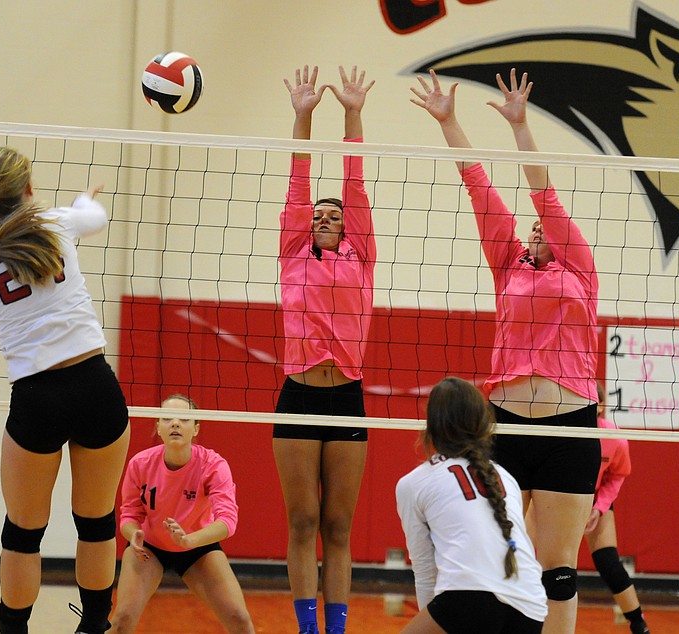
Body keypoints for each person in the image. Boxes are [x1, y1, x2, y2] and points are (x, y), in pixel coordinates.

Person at [411, 68, 600, 634]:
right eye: (534, 227)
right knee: (495, 558)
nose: (539, 229)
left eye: (547, 226)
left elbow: (542, 190)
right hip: (506, 428)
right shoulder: (508, 265)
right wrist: (448, 121)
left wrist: (520, 126)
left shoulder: (578, 268)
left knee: (557, 570)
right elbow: (478, 186)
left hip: (569, 429)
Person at [0, 146, 130, 634]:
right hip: (95, 386)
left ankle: (12, 630)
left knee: (23, 532)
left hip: (37, 397)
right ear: (29, 189)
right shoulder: (57, 223)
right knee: (96, 523)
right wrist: (84, 198)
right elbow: (94, 217)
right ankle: (94, 626)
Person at [273, 64, 376, 634]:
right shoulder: (294, 253)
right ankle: (307, 628)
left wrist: (352, 113)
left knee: (338, 526)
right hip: (297, 397)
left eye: (335, 216)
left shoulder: (361, 256)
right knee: (303, 522)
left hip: (347, 399)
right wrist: (303, 115)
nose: (326, 218)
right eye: (318, 215)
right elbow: (299, 179)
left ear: (348, 227)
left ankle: (336, 630)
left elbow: (354, 183)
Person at [396, 377, 547, 633]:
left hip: (467, 597)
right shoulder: (505, 477)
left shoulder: (414, 483)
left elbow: (425, 569)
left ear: (432, 424)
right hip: (531, 605)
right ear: (481, 423)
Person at [109, 395, 254, 634]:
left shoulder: (213, 465)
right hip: (149, 547)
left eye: (184, 419)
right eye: (167, 418)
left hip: (197, 546)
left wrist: (188, 540)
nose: (175, 423)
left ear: (196, 428)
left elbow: (228, 521)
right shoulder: (140, 463)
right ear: (158, 427)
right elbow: (129, 514)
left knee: (239, 619)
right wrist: (133, 534)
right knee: (122, 619)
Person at [585, 383, 650, 634]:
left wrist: (599, 507)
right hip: (559, 497)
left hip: (594, 499)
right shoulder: (562, 432)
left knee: (608, 562)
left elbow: (618, 474)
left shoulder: (614, 437)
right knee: (548, 563)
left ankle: (639, 624)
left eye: (594, 402)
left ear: (601, 406)